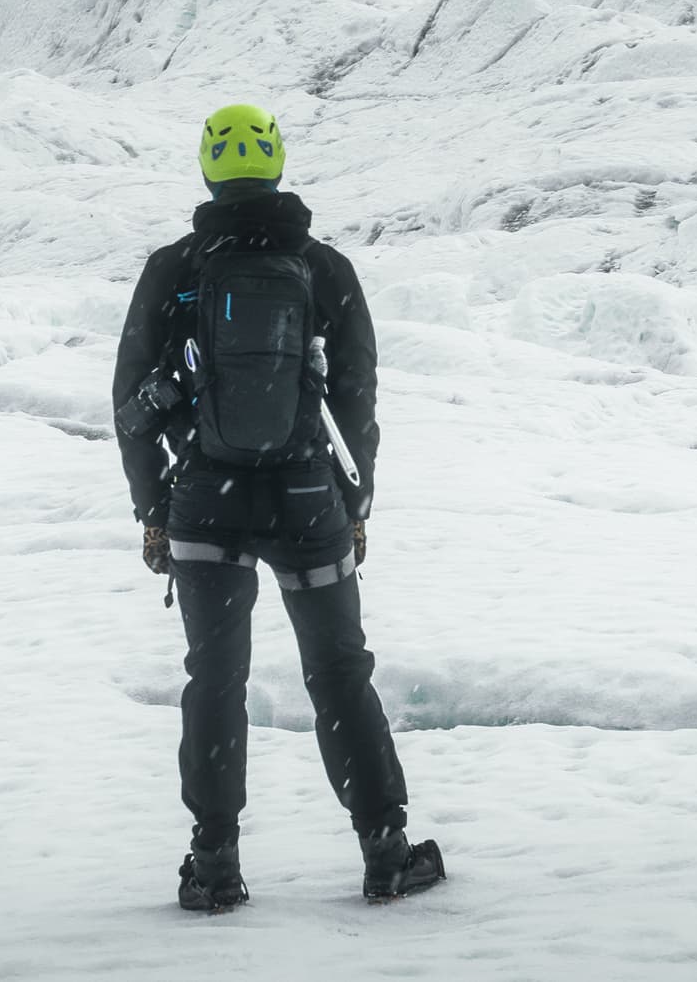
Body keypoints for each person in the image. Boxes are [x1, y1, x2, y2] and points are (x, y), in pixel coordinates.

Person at [112, 103, 445, 914]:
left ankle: (215, 864)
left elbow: (130, 401)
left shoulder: (174, 267)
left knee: (215, 681)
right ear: (278, 164)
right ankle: (385, 850)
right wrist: (355, 495)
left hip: (204, 502)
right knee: (338, 672)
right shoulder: (324, 269)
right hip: (307, 503)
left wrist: (153, 506)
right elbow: (357, 395)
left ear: (207, 169)